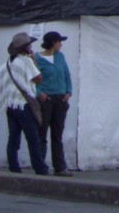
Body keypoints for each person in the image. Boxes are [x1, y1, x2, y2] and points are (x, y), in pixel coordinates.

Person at [0, 32, 49, 175]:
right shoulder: (26, 61)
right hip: (23, 104)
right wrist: (34, 59)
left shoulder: (9, 63)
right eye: (30, 44)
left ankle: (14, 166)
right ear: (26, 48)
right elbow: (38, 78)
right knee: (33, 137)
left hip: (11, 105)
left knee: (13, 138)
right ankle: (40, 167)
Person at [35, 31, 73, 176]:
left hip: (60, 99)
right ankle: (41, 165)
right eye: (58, 42)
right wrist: (40, 93)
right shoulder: (38, 59)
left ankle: (60, 166)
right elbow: (34, 79)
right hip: (46, 99)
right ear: (52, 43)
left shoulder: (60, 57)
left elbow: (66, 74)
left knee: (57, 134)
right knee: (42, 132)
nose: (60, 44)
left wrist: (69, 91)